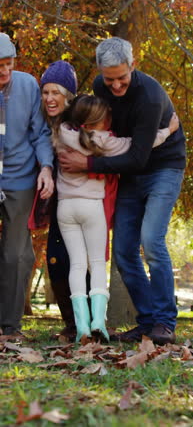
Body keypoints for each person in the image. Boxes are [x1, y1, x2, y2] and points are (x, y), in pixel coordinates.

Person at [58, 37, 186, 345]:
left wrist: (88, 164)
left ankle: (165, 322)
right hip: (126, 170)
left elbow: (139, 156)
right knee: (123, 250)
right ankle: (146, 321)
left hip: (162, 167)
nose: (115, 86)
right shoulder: (100, 87)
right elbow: (100, 134)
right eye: (109, 78)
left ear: (133, 65)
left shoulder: (150, 96)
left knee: (151, 241)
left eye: (122, 78)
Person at [0, 33, 54, 338]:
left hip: (20, 177)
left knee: (15, 252)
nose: (4, 72)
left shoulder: (27, 85)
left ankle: (9, 326)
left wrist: (46, 166)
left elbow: (40, 133)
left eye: (8, 65)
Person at [40, 60, 89, 341]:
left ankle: (83, 324)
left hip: (83, 198)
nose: (49, 98)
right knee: (57, 260)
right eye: (45, 92)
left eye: (55, 92)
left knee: (77, 260)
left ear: (67, 94)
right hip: (60, 200)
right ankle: (72, 323)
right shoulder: (49, 121)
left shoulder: (79, 116)